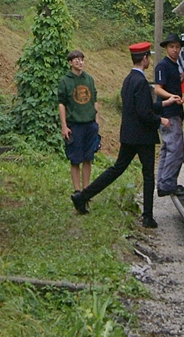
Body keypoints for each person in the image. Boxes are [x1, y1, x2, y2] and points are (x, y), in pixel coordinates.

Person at [71, 42, 167, 228]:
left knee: (116, 169)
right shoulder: (141, 82)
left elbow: (138, 108)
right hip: (143, 137)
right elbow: (144, 113)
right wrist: (160, 120)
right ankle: (147, 216)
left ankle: (83, 196)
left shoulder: (128, 79)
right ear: (145, 58)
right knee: (148, 174)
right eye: (148, 57)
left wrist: (165, 103)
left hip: (129, 135)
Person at [57, 50, 100, 194]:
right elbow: (61, 103)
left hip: (89, 123)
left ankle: (86, 189)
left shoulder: (89, 79)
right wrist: (64, 126)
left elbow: (95, 100)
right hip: (74, 124)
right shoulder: (65, 81)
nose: (79, 62)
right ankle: (77, 190)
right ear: (70, 62)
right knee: (75, 159)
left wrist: (96, 122)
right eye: (76, 60)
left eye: (81, 60)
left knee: (88, 158)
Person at [153, 34, 184, 197]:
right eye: (172, 47)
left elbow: (174, 81)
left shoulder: (175, 66)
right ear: (166, 48)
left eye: (177, 47)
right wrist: (171, 97)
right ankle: (168, 183)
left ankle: (162, 183)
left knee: (167, 150)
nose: (175, 50)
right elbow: (157, 88)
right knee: (175, 149)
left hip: (174, 112)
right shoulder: (163, 65)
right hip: (168, 113)